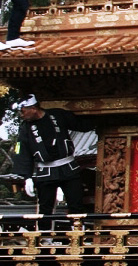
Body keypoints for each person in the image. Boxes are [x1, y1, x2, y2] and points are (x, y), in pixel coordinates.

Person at [12, 95, 95, 225]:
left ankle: (78, 233)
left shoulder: (57, 115)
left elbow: (80, 124)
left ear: (33, 108)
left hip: (68, 167)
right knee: (45, 208)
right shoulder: (26, 128)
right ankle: (45, 238)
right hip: (46, 170)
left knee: (76, 203)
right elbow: (22, 151)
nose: (21, 115)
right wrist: (27, 177)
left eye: (22, 111)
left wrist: (99, 118)